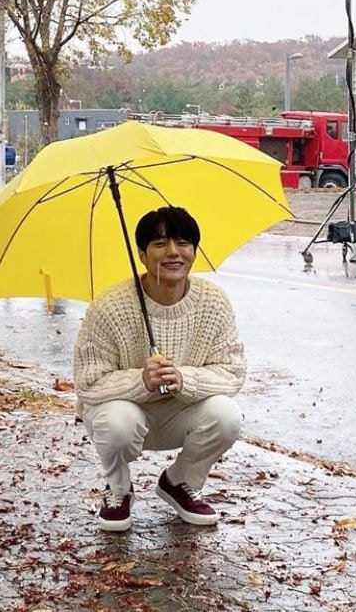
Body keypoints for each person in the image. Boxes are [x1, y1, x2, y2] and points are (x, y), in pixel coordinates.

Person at [73, 206, 245, 532]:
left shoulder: (213, 301)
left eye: (183, 243)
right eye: (160, 244)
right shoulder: (110, 305)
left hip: (179, 412)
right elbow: (88, 382)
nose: (173, 253)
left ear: (194, 251)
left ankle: (179, 482)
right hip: (123, 413)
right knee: (117, 422)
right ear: (141, 253)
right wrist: (141, 381)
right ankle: (119, 489)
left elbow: (232, 370)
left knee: (227, 416)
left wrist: (186, 379)